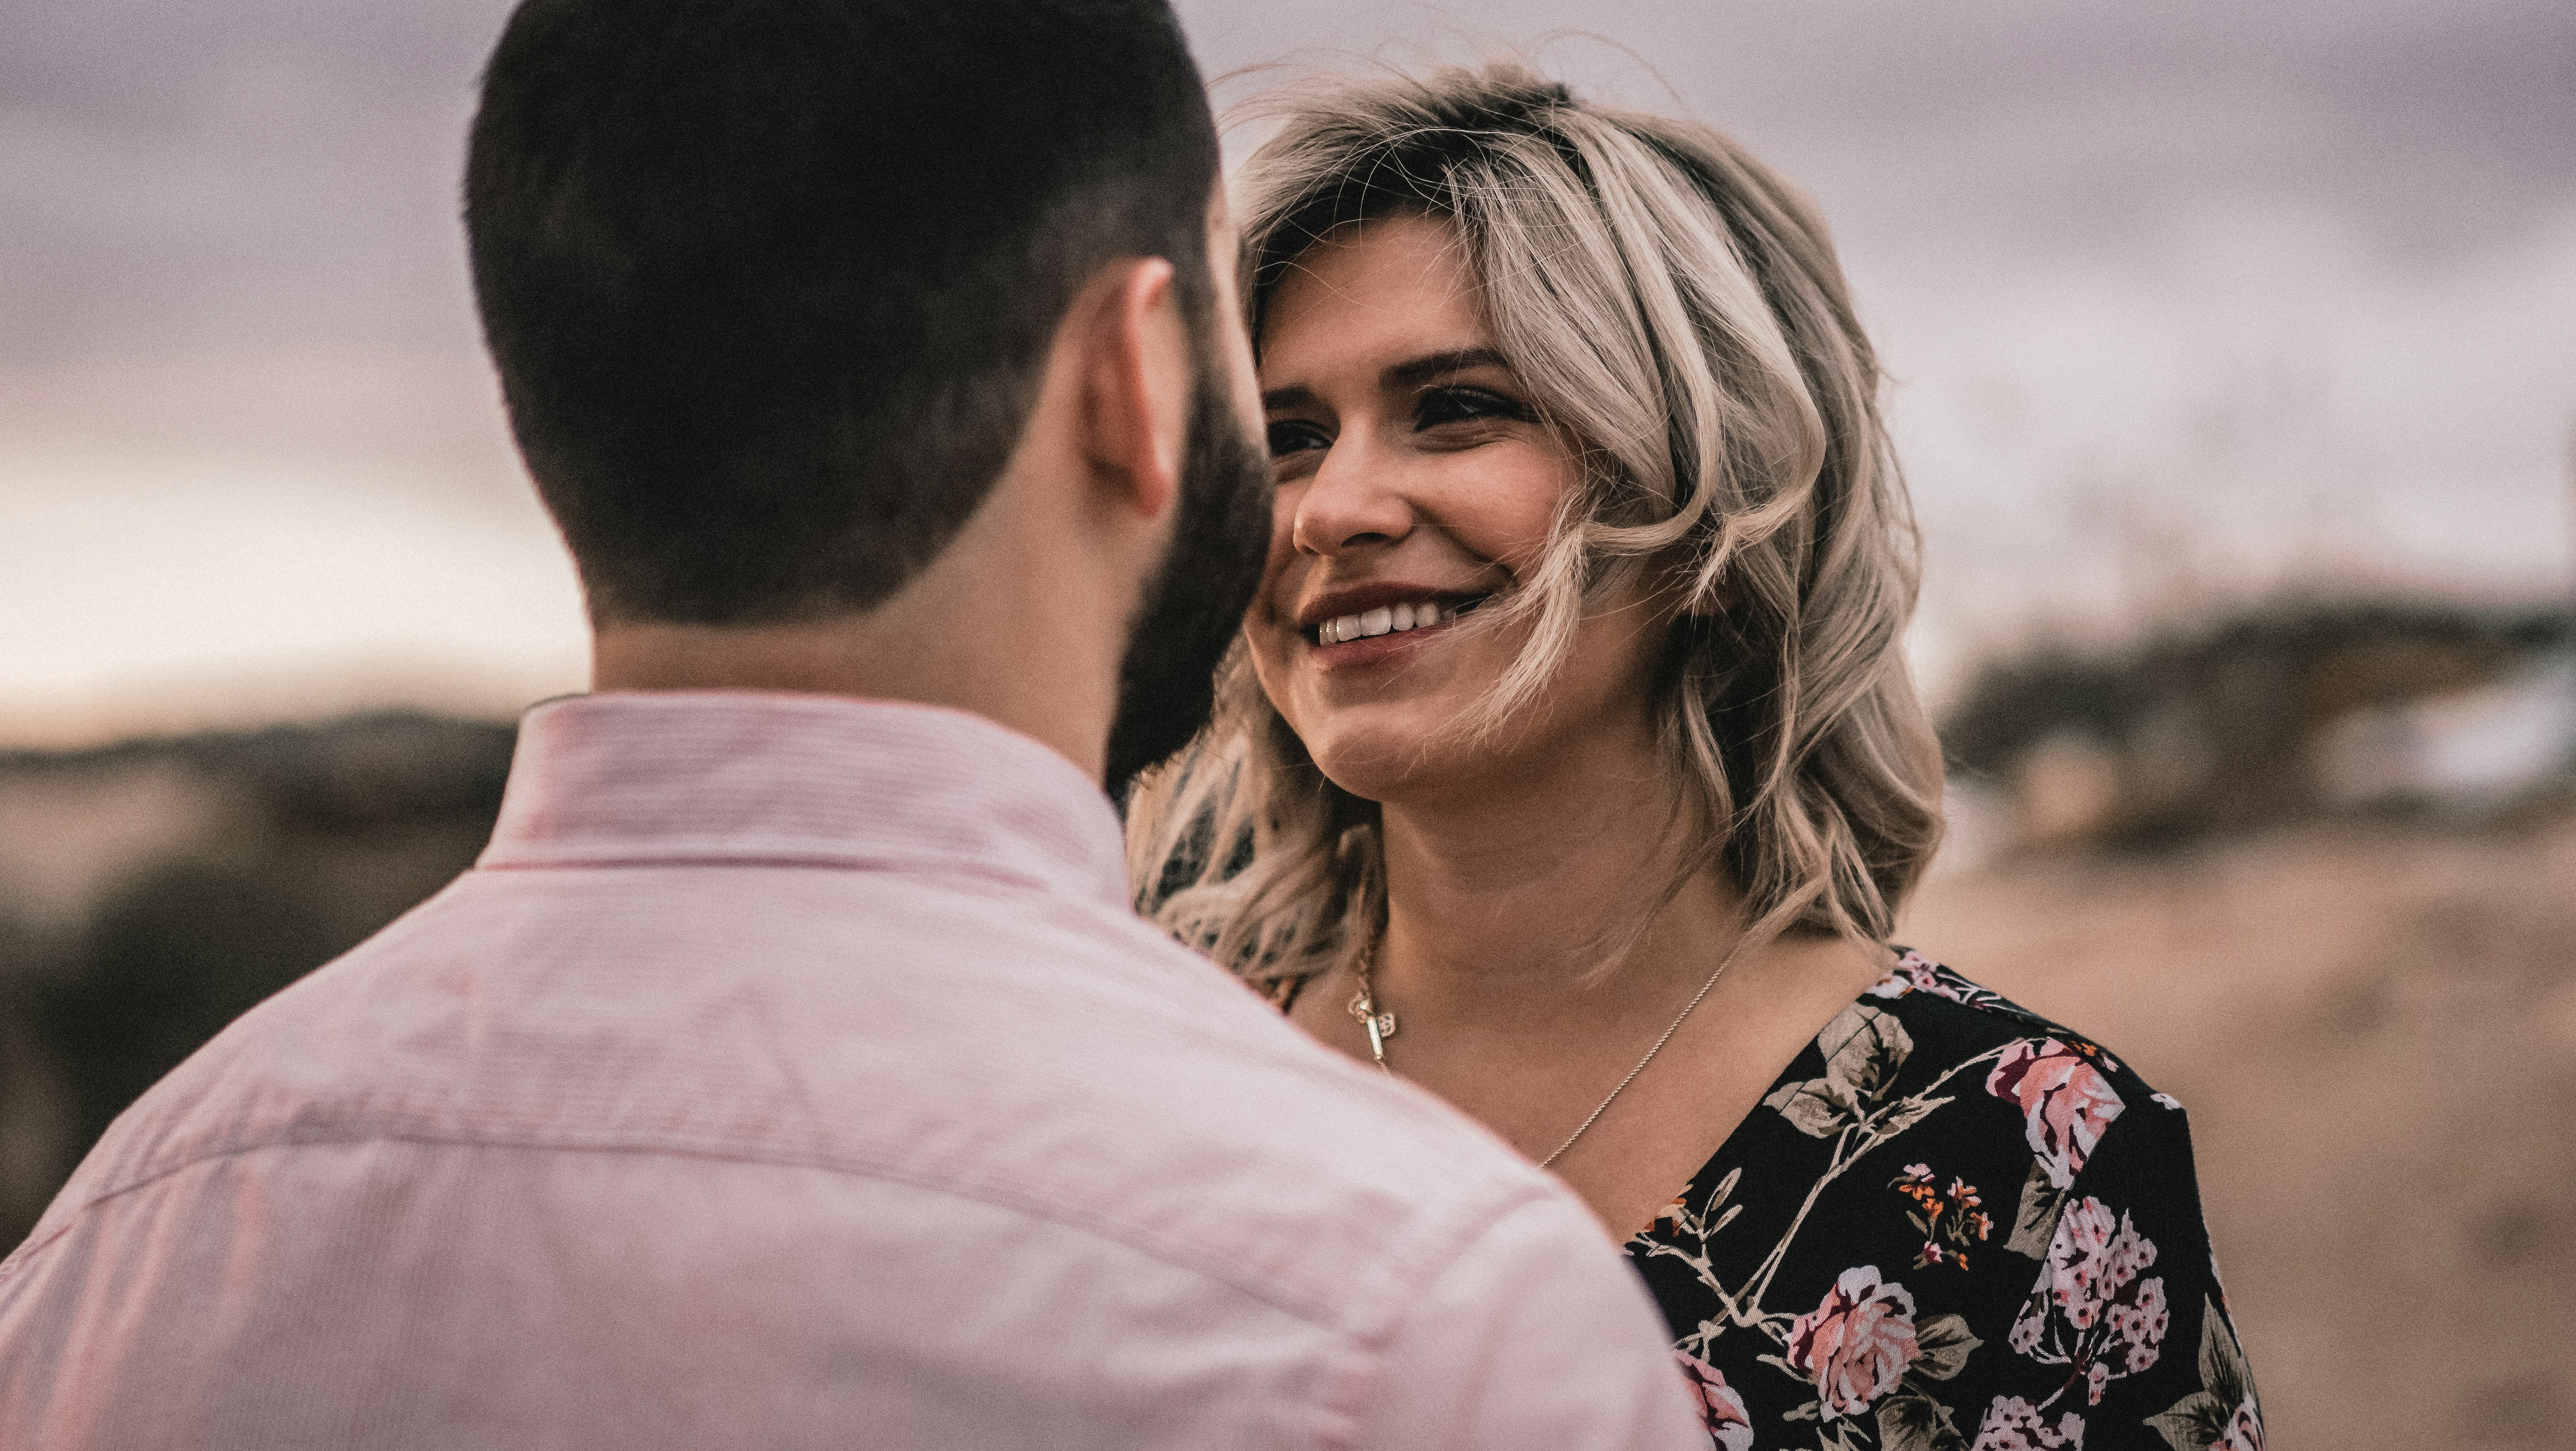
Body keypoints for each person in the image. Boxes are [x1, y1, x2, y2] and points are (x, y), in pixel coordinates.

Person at [0, 12, 1709, 1449]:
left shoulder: (114, 1252)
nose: (1322, 504)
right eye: (1260, 396)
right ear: (1136, 374)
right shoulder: (1424, 1321)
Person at [1131, 63, 2264, 1451]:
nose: (1332, 510)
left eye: (1459, 408)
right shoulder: (1146, 1069)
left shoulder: (2031, 1158)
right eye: (1287, 439)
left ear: (1712, 502)